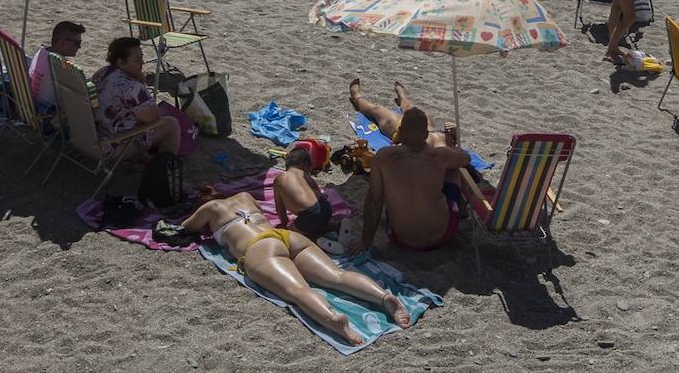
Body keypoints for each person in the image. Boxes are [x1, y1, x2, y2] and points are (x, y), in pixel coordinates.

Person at [182, 191, 410, 346]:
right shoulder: (244, 196)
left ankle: (334, 320)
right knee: (336, 276)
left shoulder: (210, 208)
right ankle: (384, 297)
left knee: (299, 291)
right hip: (287, 236)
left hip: (258, 248)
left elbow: (186, 228)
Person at [351, 99, 469, 254]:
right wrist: (451, 142)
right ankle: (461, 210)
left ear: (400, 134)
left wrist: (365, 241)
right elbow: (465, 158)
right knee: (454, 170)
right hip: (442, 236)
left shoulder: (384, 157)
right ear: (426, 135)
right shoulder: (440, 155)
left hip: (402, 239)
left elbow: (374, 202)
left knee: (384, 192)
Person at [91, 37, 182, 158]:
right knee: (171, 124)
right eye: (137, 60)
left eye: (142, 58)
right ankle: (164, 168)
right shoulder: (133, 87)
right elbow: (154, 119)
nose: (142, 63)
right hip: (113, 146)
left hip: (93, 136)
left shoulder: (102, 72)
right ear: (121, 62)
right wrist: (140, 83)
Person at [274, 142, 339, 239]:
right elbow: (318, 193)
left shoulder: (279, 178)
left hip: (310, 215)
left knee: (289, 235)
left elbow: (280, 208)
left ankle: (314, 239)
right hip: (325, 208)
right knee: (318, 222)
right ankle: (334, 226)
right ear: (304, 165)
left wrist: (284, 224)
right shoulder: (306, 176)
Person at [28, 21, 85, 108]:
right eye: (77, 43)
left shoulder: (41, 52)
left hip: (32, 102)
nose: (79, 47)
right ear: (62, 42)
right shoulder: (61, 66)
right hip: (46, 112)